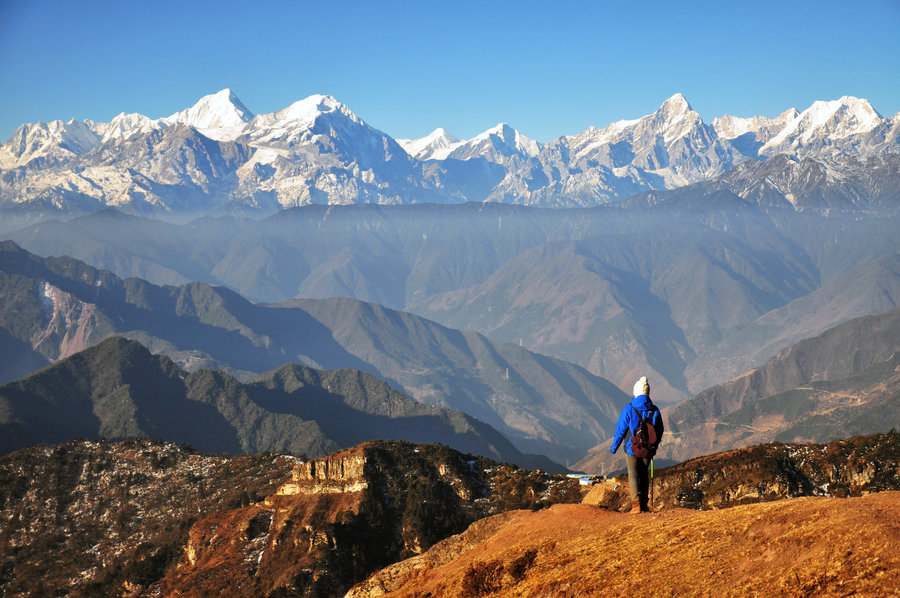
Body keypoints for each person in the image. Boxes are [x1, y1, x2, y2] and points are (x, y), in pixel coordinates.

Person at [610, 376, 664, 513]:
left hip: (631, 447)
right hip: (648, 448)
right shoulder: (655, 410)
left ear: (636, 392)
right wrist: (654, 445)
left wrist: (614, 447)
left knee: (633, 474)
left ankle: (636, 505)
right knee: (643, 474)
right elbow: (660, 430)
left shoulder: (629, 408)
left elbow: (621, 429)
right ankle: (645, 505)